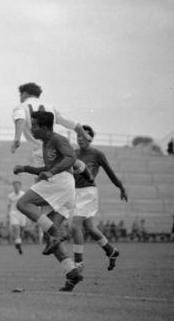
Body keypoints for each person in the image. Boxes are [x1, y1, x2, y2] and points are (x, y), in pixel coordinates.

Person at [12, 111, 91, 292]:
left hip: (61, 181)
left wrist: (52, 173)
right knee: (49, 239)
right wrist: (25, 168)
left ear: (46, 128)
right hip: (66, 189)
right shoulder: (47, 143)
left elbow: (70, 158)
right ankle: (72, 273)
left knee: (22, 204)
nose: (32, 128)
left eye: (35, 125)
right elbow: (47, 168)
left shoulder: (57, 139)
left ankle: (56, 231)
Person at [70, 125, 128, 272]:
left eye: (83, 137)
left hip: (88, 193)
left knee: (75, 225)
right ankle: (111, 251)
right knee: (89, 227)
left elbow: (110, 172)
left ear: (90, 138)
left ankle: (78, 263)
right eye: (78, 136)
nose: (80, 139)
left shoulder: (97, 154)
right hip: (75, 192)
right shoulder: (73, 153)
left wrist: (121, 187)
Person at [7, 180, 28, 255]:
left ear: (20, 186)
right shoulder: (10, 196)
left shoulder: (23, 194)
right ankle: (18, 244)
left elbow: (26, 204)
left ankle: (17, 242)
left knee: (21, 229)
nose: (16, 187)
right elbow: (9, 205)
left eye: (17, 185)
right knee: (17, 228)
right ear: (13, 187)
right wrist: (7, 215)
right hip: (13, 213)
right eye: (15, 186)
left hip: (22, 213)